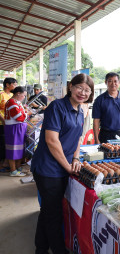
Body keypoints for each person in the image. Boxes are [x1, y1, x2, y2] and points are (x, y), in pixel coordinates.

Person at [31, 74, 94, 254]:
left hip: (63, 165)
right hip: (48, 168)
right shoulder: (57, 107)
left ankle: (41, 248)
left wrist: (75, 159)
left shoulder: (80, 111)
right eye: (79, 87)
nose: (83, 92)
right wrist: (67, 167)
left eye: (87, 90)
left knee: (48, 210)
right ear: (71, 87)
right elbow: (52, 141)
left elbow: (77, 139)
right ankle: (59, 250)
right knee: (53, 214)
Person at [92, 72, 120, 144]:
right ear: (105, 82)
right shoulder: (99, 100)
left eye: (115, 81)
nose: (113, 83)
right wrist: (96, 139)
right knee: (105, 154)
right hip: (106, 135)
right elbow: (96, 121)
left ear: (119, 83)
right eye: (110, 81)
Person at [4, 86, 30, 176]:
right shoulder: (12, 103)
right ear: (18, 94)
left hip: (18, 128)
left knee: (19, 148)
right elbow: (19, 117)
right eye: (23, 95)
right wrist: (27, 114)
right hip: (13, 128)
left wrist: (25, 113)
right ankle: (13, 170)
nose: (24, 98)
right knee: (13, 149)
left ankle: (18, 167)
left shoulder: (16, 102)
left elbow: (21, 114)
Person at [0, 77, 17, 172]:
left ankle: (6, 163)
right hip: (2, 123)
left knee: (7, 144)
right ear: (7, 85)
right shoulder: (1, 95)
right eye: (14, 84)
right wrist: (2, 120)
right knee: (2, 144)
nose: (15, 86)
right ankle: (1, 164)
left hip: (10, 123)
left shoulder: (12, 95)